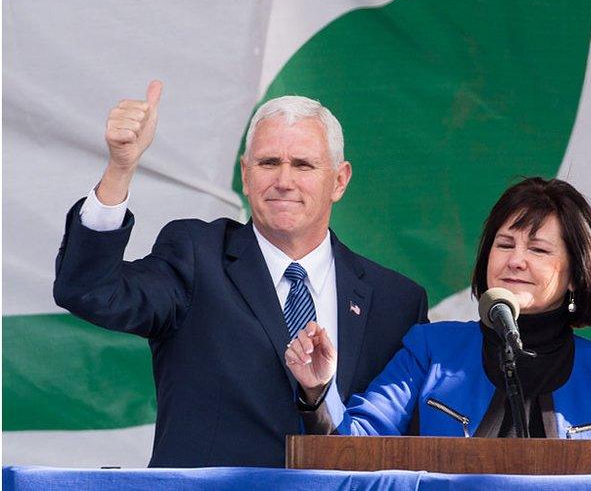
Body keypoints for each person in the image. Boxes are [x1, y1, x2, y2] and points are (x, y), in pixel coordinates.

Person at [53, 81, 428, 467]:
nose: (284, 181)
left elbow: (405, 444)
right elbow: (89, 290)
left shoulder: (396, 301)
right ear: (246, 175)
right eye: (269, 163)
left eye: (303, 165)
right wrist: (121, 167)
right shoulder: (196, 256)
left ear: (339, 180)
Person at [285, 177, 591, 439]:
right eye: (504, 244)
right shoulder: (431, 349)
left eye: (538, 250)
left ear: (576, 274)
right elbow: (356, 446)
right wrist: (319, 391)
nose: (516, 261)